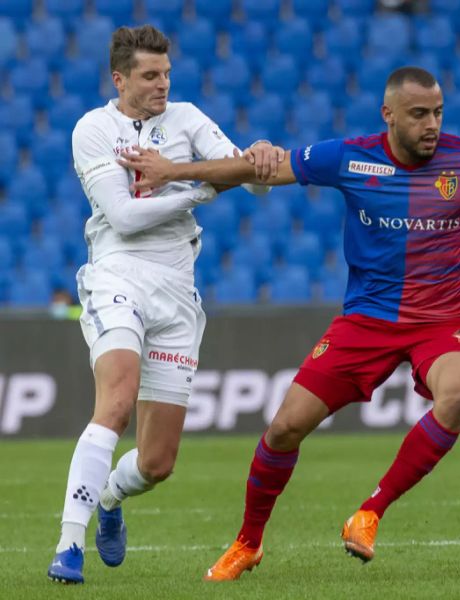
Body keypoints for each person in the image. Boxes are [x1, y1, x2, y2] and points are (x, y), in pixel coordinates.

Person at [119, 66, 460, 581]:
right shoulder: (350, 156)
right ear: (389, 115)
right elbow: (257, 172)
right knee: (286, 427)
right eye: (419, 114)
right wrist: (175, 170)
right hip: (367, 321)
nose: (432, 125)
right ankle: (248, 543)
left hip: (443, 322)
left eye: (438, 113)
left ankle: (370, 512)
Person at [47, 24, 280, 585]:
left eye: (167, 73)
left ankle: (108, 498)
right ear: (119, 78)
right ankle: (68, 544)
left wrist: (259, 157)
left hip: (178, 290)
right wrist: (200, 190)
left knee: (156, 464)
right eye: (150, 76)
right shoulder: (93, 129)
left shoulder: (187, 118)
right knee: (117, 397)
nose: (162, 85)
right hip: (116, 274)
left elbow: (253, 180)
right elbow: (124, 216)